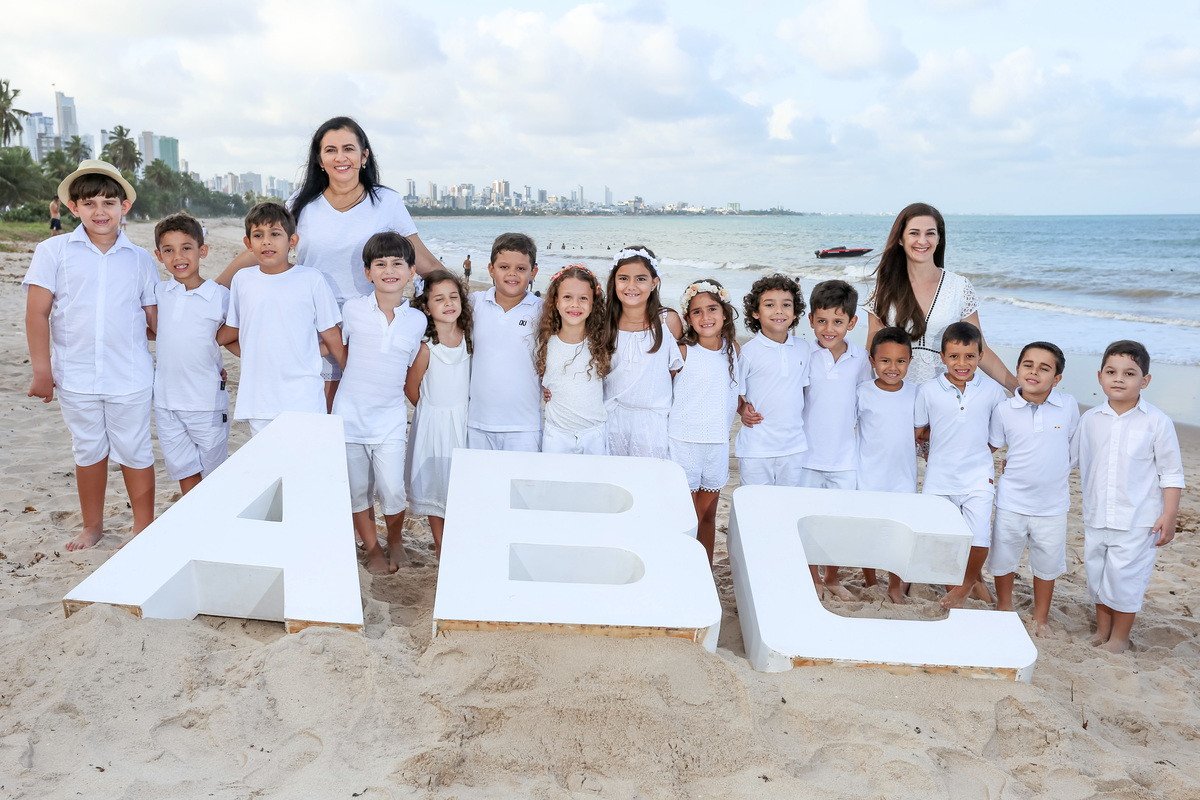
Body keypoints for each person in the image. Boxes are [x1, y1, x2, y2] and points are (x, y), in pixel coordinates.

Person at [215, 117, 439, 408]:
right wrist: (214, 288)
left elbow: (421, 258)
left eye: (348, 148)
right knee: (318, 417)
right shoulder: (301, 202)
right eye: (330, 150)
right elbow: (264, 247)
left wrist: (462, 298)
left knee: (357, 417)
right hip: (311, 323)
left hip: (365, 325)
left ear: (364, 155)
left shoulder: (387, 201)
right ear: (320, 159)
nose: (340, 157)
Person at [23, 160, 157, 551]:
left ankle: (143, 527)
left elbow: (152, 321)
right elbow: (37, 313)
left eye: (108, 202)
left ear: (124, 207)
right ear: (73, 207)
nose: (100, 211)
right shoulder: (53, 251)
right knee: (88, 448)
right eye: (90, 203)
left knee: (134, 448)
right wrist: (41, 370)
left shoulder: (141, 260)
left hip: (129, 374)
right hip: (75, 374)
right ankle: (92, 526)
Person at [1073, 340, 1184, 654]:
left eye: (1129, 373)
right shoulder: (1090, 420)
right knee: (1097, 576)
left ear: (1145, 381)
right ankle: (1102, 632)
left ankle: (1119, 639)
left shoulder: (1157, 422)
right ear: (1100, 377)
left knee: (1124, 581)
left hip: (1139, 521)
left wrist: (1169, 515)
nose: (1119, 378)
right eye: (1111, 371)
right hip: (1097, 516)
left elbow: (1171, 473)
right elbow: (1067, 458)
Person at [333, 232, 427, 574]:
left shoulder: (417, 320)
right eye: (380, 263)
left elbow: (420, 364)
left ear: (411, 271)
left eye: (398, 263)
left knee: (392, 489)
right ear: (367, 272)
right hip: (349, 416)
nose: (389, 269)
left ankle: (396, 540)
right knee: (357, 489)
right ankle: (372, 548)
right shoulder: (353, 310)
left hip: (389, 418)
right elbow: (334, 349)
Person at [217, 202, 344, 435]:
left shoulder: (311, 279)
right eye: (258, 235)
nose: (267, 241)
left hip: (304, 398)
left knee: (305, 467)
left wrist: (351, 374)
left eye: (275, 234)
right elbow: (232, 333)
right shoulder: (242, 280)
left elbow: (332, 334)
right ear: (248, 244)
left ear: (292, 242)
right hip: (260, 400)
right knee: (269, 469)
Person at [865, 203, 1016, 391]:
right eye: (914, 233)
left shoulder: (959, 287)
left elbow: (978, 347)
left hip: (945, 400)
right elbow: (871, 352)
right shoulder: (882, 291)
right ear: (901, 239)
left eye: (930, 233)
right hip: (896, 397)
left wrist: (1018, 388)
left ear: (939, 238)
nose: (922, 241)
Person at [735, 274, 821, 596]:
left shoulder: (804, 348)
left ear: (796, 312)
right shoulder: (749, 351)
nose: (778, 311)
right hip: (757, 446)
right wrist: (742, 409)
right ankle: (755, 567)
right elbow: (736, 394)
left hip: (794, 446)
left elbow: (809, 389)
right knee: (757, 511)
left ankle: (786, 567)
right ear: (756, 313)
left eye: (786, 305)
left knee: (788, 510)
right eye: (769, 305)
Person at [987, 342, 1080, 638]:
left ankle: (1041, 618)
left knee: (1047, 563)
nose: (1034, 372)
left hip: (1052, 505)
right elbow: (992, 447)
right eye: (1028, 365)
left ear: (1057, 378)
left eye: (1044, 368)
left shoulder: (1068, 406)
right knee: (1003, 557)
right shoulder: (1004, 410)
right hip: (1012, 500)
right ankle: (1004, 606)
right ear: (1017, 369)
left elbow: (1075, 449)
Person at [915, 321, 1007, 610]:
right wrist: (939, 446)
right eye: (954, 356)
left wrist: (973, 453)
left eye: (969, 356)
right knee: (943, 538)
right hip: (939, 476)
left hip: (978, 476)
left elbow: (994, 438)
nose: (962, 363)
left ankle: (965, 587)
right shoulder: (928, 390)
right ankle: (958, 585)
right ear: (942, 357)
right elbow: (919, 431)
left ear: (980, 356)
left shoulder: (992, 391)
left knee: (979, 535)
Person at [151, 213, 234, 496]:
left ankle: (217, 529)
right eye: (169, 250)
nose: (178, 256)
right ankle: (195, 527)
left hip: (207, 404)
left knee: (215, 476)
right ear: (159, 256)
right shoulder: (160, 293)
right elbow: (157, 331)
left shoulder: (219, 296)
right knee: (184, 470)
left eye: (186, 247)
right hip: (166, 403)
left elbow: (235, 338)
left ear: (203, 251)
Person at [801, 280, 874, 599]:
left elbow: (870, 404)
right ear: (810, 320)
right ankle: (812, 577)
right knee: (808, 521)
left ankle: (832, 577)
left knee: (839, 522)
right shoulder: (803, 353)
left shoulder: (861, 359)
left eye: (838, 321)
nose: (829, 328)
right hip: (805, 456)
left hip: (845, 457)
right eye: (822, 321)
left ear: (852, 323)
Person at [669, 279, 741, 564]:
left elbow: (733, 392)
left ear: (725, 312)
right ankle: (680, 566)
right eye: (697, 311)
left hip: (717, 443)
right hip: (683, 443)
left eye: (712, 309)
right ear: (687, 318)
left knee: (709, 514)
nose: (705, 317)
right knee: (687, 515)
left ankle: (705, 571)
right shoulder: (683, 351)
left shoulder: (734, 350)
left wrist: (745, 408)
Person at [405, 270, 473, 558]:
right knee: (435, 483)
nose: (448, 303)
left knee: (460, 486)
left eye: (453, 297)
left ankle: (461, 541)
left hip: (465, 421)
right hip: (434, 424)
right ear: (426, 307)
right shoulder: (426, 348)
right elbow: (411, 388)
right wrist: (433, 413)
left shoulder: (470, 339)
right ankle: (442, 547)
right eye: (439, 299)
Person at [856, 326, 919, 603]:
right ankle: (870, 579)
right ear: (872, 361)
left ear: (910, 362)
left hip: (903, 476)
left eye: (900, 361)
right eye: (885, 360)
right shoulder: (862, 392)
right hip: (868, 473)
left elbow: (924, 430)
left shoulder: (917, 394)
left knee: (900, 533)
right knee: (868, 531)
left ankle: (896, 585)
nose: (892, 367)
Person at [602, 246, 683, 458]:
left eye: (640, 279)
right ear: (614, 281)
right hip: (612, 419)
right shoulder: (604, 323)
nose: (631, 286)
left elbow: (676, 374)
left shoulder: (668, 321)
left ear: (654, 283)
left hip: (652, 423)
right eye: (623, 278)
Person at [466, 233, 543, 451]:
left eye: (521, 268)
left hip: (524, 426)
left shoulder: (543, 310)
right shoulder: (474, 303)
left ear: (533, 272)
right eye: (504, 267)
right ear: (491, 269)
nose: (512, 274)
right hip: (477, 422)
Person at [535, 266, 611, 455]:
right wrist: (543, 387)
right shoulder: (545, 342)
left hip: (594, 433)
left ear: (593, 303)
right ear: (556, 301)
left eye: (583, 298)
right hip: (557, 434)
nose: (575, 304)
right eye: (568, 297)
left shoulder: (601, 342)